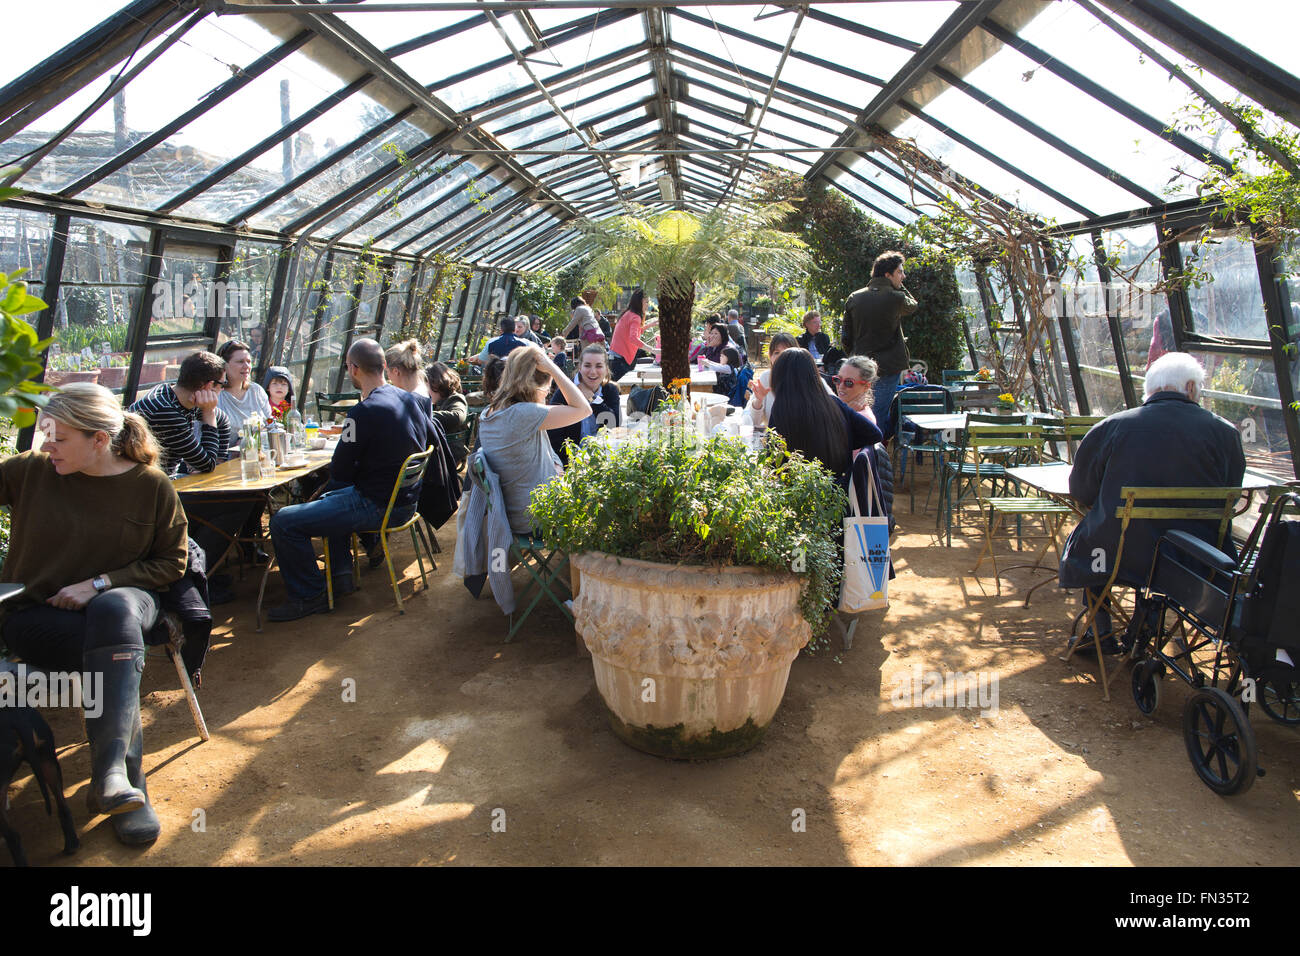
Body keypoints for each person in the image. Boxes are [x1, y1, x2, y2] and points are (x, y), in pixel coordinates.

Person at [0, 384, 188, 846]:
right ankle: (122, 781)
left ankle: (112, 775)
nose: (46, 445)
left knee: (114, 608)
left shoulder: (150, 486)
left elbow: (172, 562)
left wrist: (100, 581)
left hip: (130, 601)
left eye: (59, 438)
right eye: (45, 433)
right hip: (38, 618)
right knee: (115, 657)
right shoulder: (32, 472)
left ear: (99, 439)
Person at [1058, 352, 1246, 654]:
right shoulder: (1225, 433)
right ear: (1189, 387)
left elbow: (1081, 490)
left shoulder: (1113, 427)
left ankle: (1099, 629)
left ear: (1152, 388)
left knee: (1092, 536)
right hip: (1194, 559)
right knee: (1159, 552)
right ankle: (1150, 617)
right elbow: (1231, 492)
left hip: (1118, 554)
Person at [267, 338, 438, 622]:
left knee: (284, 521)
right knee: (333, 498)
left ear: (352, 369)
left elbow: (341, 472)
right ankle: (341, 575)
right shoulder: (412, 400)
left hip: (378, 506)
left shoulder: (359, 413)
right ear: (385, 365)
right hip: (408, 502)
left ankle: (309, 595)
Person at [476, 345, 591, 534]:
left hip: (513, 514)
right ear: (537, 386)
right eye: (547, 389)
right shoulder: (522, 414)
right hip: (535, 518)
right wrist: (553, 368)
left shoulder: (490, 412)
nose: (547, 396)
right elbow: (584, 410)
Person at [767, 347, 883, 490]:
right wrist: (843, 437)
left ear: (778, 378)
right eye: (838, 380)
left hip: (798, 497)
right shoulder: (833, 402)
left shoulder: (781, 409)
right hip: (839, 494)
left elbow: (771, 459)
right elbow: (875, 434)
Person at [843, 251, 918, 435]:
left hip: (860, 366)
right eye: (900, 272)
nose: (903, 276)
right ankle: (875, 455)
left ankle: (860, 452)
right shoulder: (896, 297)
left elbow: (846, 336)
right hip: (888, 366)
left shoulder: (855, 297)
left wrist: (854, 357)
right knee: (878, 411)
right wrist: (900, 287)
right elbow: (913, 305)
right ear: (888, 274)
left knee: (859, 410)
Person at [129, 350, 231, 477]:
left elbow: (223, 421)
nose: (223, 389)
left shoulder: (170, 393)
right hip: (146, 484)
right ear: (209, 386)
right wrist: (208, 413)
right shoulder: (166, 412)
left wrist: (219, 461)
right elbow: (207, 465)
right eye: (223, 384)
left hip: (160, 478)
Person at [547, 344, 622, 465]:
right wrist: (575, 461)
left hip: (602, 459)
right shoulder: (565, 391)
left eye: (599, 366)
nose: (593, 372)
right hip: (571, 462)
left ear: (606, 369)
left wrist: (592, 398)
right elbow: (553, 435)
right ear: (580, 367)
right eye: (587, 365)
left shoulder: (610, 390)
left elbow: (614, 424)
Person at [216, 339, 272, 453]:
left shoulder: (256, 391)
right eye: (240, 361)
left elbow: (270, 423)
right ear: (224, 365)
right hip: (226, 462)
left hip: (258, 455)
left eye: (249, 361)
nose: (247, 366)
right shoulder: (217, 395)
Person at [748, 331, 799, 428]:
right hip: (774, 440)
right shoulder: (766, 378)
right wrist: (758, 401)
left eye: (786, 352)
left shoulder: (808, 376)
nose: (781, 357)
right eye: (776, 353)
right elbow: (753, 422)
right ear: (770, 356)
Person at [425, 361, 469, 464]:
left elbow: (458, 416)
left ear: (436, 383)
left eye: (426, 386)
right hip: (441, 450)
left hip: (450, 453)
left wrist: (425, 414)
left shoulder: (455, 398)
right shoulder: (437, 402)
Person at [609, 289, 646, 382]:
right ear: (639, 302)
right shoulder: (635, 317)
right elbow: (633, 338)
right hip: (620, 360)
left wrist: (650, 325)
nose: (647, 305)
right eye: (646, 302)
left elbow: (636, 331)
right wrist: (652, 350)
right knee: (621, 390)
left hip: (614, 357)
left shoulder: (627, 313)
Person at [833, 355, 879, 424]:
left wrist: (848, 414)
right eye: (838, 379)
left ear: (866, 386)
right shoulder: (835, 404)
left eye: (849, 382)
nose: (841, 386)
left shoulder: (864, 418)